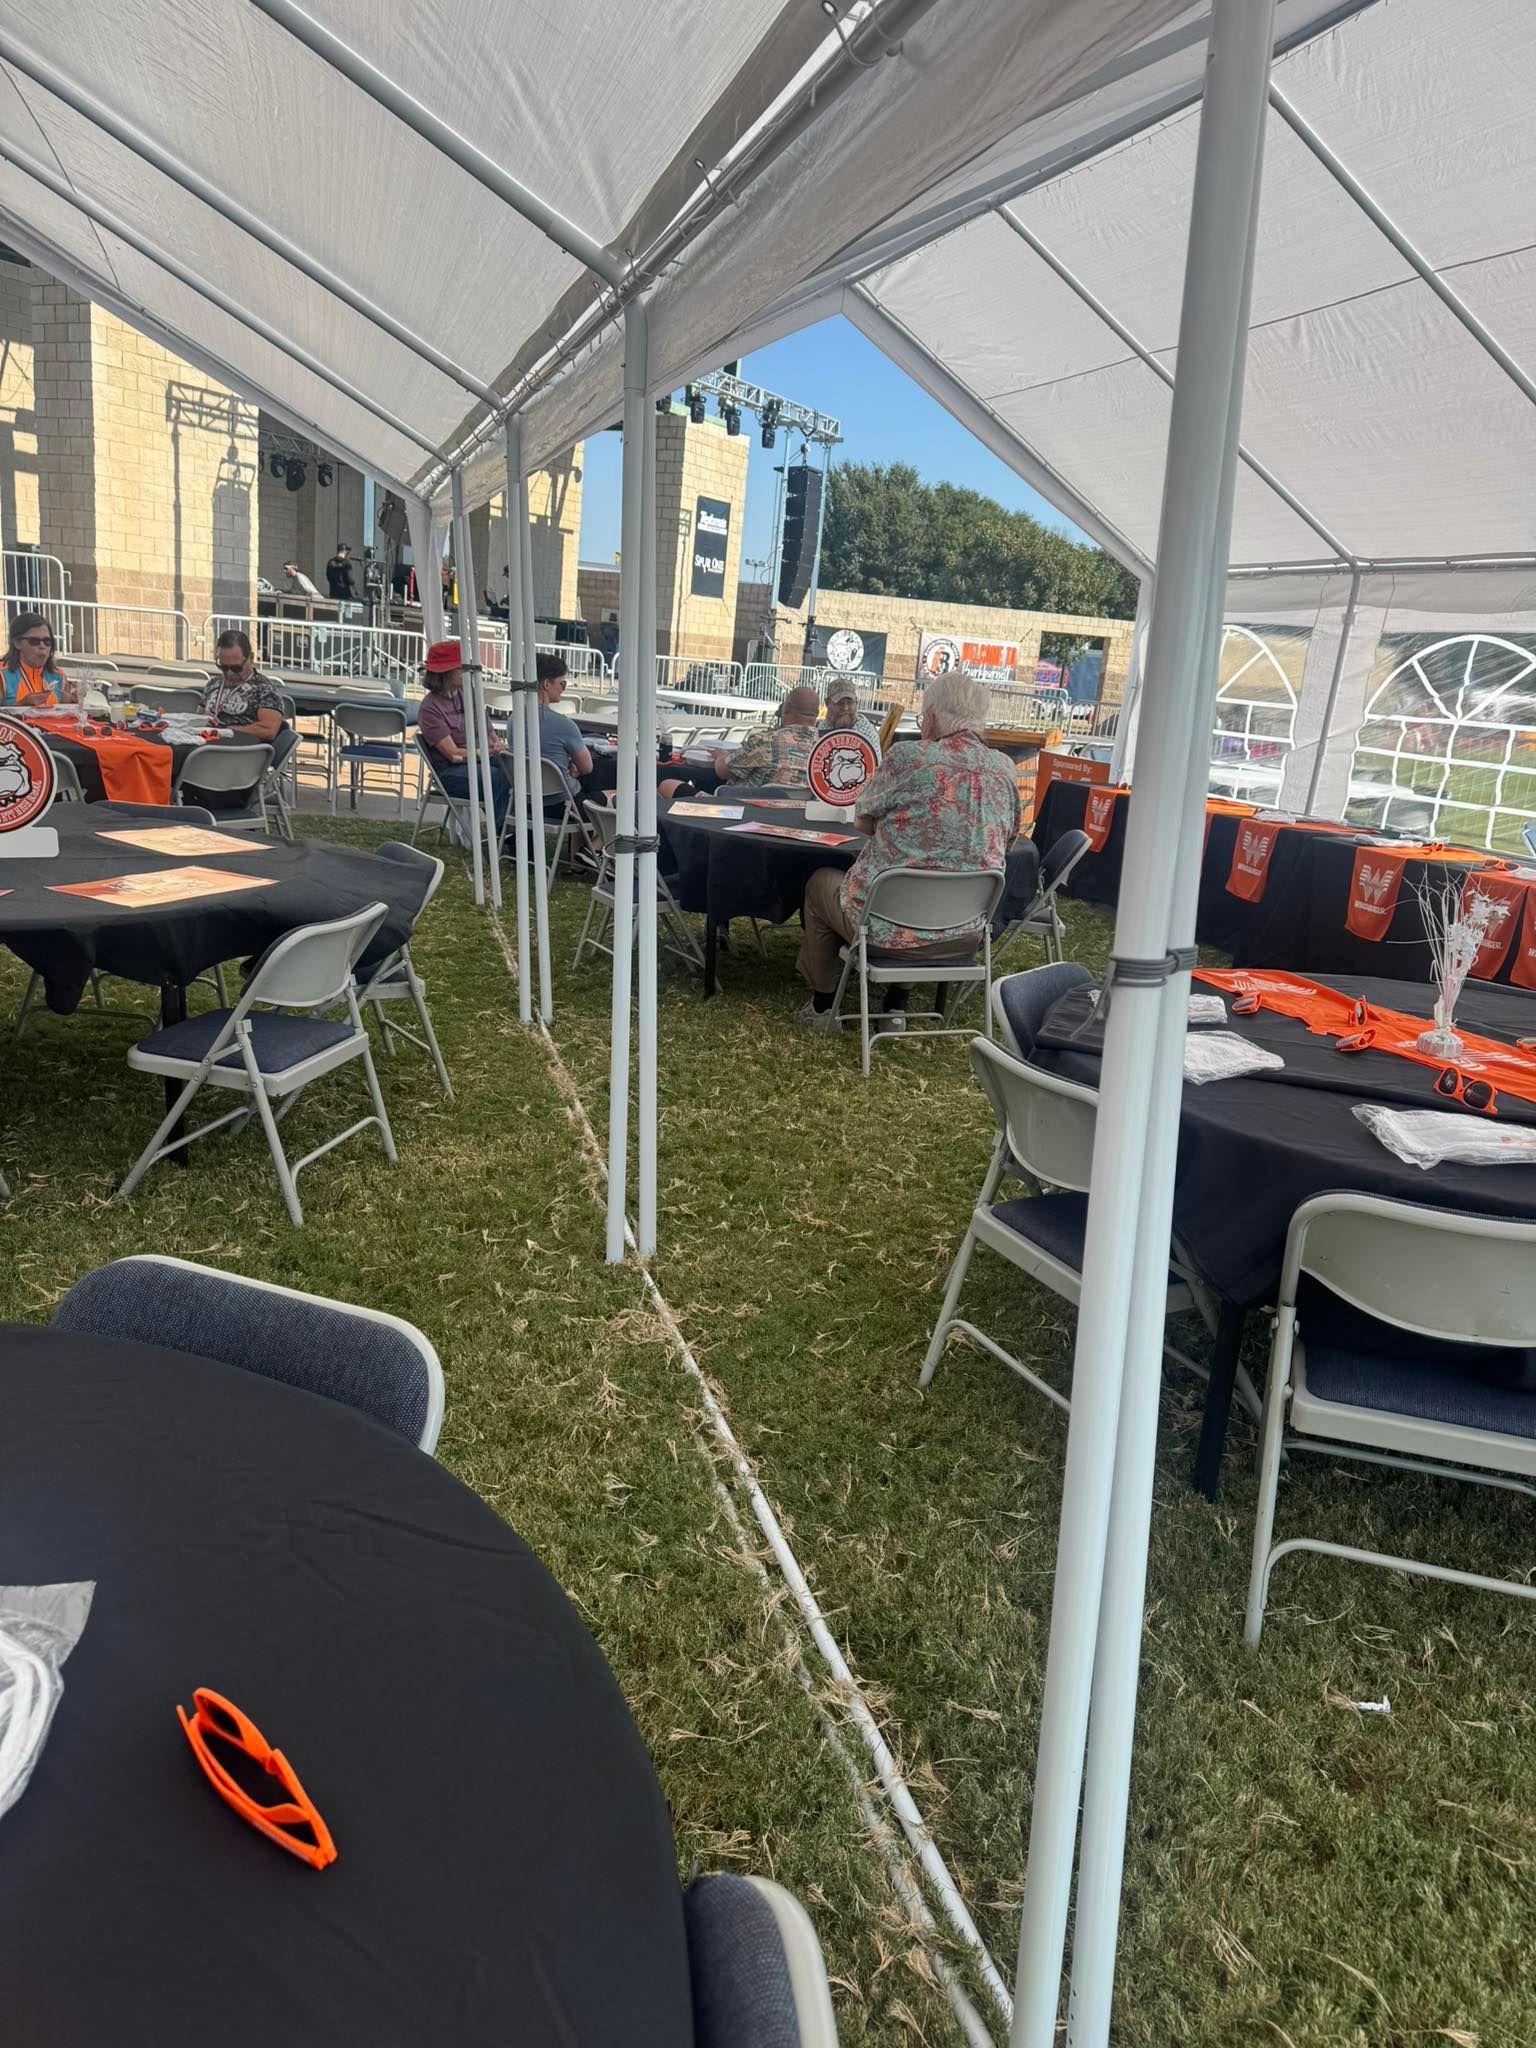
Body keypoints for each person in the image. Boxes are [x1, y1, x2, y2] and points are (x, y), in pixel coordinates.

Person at [795, 671, 1019, 1030]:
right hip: (963, 934)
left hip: (884, 930)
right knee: (927, 887)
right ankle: (895, 1009)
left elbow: (862, 822)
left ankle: (823, 1008)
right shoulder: (1005, 770)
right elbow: (1006, 841)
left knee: (820, 883)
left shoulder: (908, 757)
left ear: (930, 718)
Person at [417, 638, 510, 830]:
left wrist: (497, 745)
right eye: (460, 668)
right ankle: (506, 834)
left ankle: (515, 830)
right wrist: (483, 752)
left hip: (480, 760)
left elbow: (489, 733)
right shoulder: (430, 708)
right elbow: (453, 754)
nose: (465, 673)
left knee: (515, 768)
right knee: (497, 777)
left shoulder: (470, 695)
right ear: (445, 672)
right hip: (450, 772)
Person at [202, 631, 285, 743]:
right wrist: (203, 718)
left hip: (241, 752)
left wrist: (226, 730)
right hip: (207, 745)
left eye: (236, 668)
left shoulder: (264, 689)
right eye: (224, 667)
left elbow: (268, 730)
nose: (230, 674)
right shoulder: (213, 684)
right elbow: (196, 716)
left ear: (251, 658)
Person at [536, 653, 592, 813]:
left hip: (527, 802)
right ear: (546, 684)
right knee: (617, 803)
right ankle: (595, 840)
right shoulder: (564, 724)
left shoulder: (514, 720)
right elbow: (587, 767)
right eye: (562, 683)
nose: (563, 689)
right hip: (563, 802)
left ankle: (581, 839)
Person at [1, 613, 65, 706]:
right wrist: (21, 705)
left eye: (47, 641)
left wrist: (77, 701)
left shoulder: (59, 676)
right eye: (34, 641)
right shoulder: (2, 676)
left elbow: (69, 713)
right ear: (17, 643)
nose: (42, 646)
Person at [821, 684, 883, 760]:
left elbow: (874, 765)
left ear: (856, 702)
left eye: (850, 702)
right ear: (827, 703)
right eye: (840, 703)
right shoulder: (821, 727)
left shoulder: (866, 732)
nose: (845, 708)